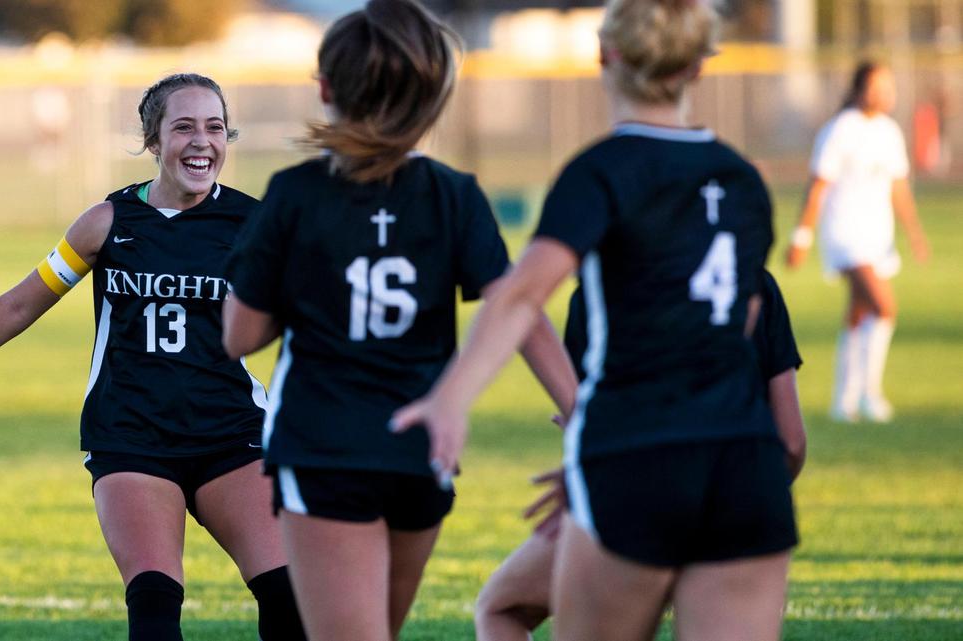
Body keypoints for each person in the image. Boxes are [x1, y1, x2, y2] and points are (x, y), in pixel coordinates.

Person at [392, 1, 798, 640]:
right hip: (743, 464)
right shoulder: (742, 179)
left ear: (605, 56)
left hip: (636, 459)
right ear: (698, 65)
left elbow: (522, 295)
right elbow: (733, 328)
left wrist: (450, 399)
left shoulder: (600, 171)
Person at [0, 73, 306, 641]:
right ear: (153, 140)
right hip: (132, 438)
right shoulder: (107, 223)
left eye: (215, 127)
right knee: (154, 607)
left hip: (232, 434)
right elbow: (20, 305)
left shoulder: (256, 225)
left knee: (290, 599)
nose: (202, 141)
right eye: (184, 128)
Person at [221, 2, 576, 639]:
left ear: (325, 89)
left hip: (325, 447)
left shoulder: (296, 195)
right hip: (422, 448)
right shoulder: (453, 193)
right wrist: (579, 409)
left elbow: (240, 336)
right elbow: (519, 308)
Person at [474, 270, 807, 641]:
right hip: (742, 503)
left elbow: (599, 431)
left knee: (501, 608)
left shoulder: (599, 292)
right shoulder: (752, 280)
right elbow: (792, 444)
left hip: (635, 503)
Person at [786, 61, 930, 423]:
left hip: (877, 235)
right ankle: (871, 395)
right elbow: (818, 186)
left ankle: (843, 400)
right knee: (884, 307)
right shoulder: (840, 130)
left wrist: (914, 232)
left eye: (889, 86)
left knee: (858, 313)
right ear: (858, 89)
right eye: (877, 86)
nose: (884, 94)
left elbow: (898, 186)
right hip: (845, 236)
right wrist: (802, 236)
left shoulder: (889, 131)